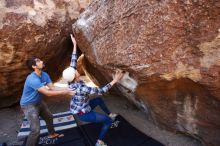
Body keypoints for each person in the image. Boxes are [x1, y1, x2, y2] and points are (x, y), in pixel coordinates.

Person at [63, 34, 124, 146]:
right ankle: (99, 142)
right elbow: (100, 91)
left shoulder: (70, 79)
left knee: (99, 100)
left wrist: (75, 44)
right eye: (74, 70)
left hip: (82, 106)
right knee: (107, 121)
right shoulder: (81, 88)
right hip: (83, 114)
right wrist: (115, 80)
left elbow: (73, 61)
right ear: (76, 76)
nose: (74, 69)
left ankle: (110, 114)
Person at [20, 56, 75, 146]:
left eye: (40, 60)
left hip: (38, 102)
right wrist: (65, 92)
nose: (41, 61)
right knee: (35, 130)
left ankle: (52, 134)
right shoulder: (32, 79)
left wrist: (67, 88)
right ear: (34, 66)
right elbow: (47, 93)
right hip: (28, 105)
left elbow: (52, 87)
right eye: (38, 61)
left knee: (49, 117)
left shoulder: (44, 75)